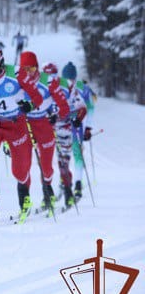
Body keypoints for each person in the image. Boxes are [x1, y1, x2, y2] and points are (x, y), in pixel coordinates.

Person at [0, 43, 43, 224]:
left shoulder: (17, 73)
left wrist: (29, 105)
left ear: (1, 58)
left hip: (15, 123)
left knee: (19, 171)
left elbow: (37, 97)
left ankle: (24, 194)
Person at [19, 51, 69, 214]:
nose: (29, 74)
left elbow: (64, 105)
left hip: (43, 122)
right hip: (25, 123)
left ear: (37, 68)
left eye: (32, 69)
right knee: (23, 163)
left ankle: (48, 191)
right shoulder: (17, 81)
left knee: (46, 166)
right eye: (25, 69)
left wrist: (55, 114)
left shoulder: (49, 82)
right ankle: (24, 197)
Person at [42, 62, 87, 208]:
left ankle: (68, 192)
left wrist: (77, 119)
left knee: (63, 162)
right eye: (46, 76)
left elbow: (82, 107)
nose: (50, 79)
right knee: (45, 163)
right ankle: (47, 195)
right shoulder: (38, 85)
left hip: (63, 128)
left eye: (53, 75)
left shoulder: (67, 85)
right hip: (45, 128)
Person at [61, 62, 96, 201]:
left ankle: (77, 183)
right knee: (65, 154)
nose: (69, 81)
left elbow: (91, 107)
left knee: (74, 153)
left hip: (75, 124)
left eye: (70, 79)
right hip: (65, 124)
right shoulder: (59, 85)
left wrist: (87, 127)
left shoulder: (82, 87)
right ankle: (68, 181)